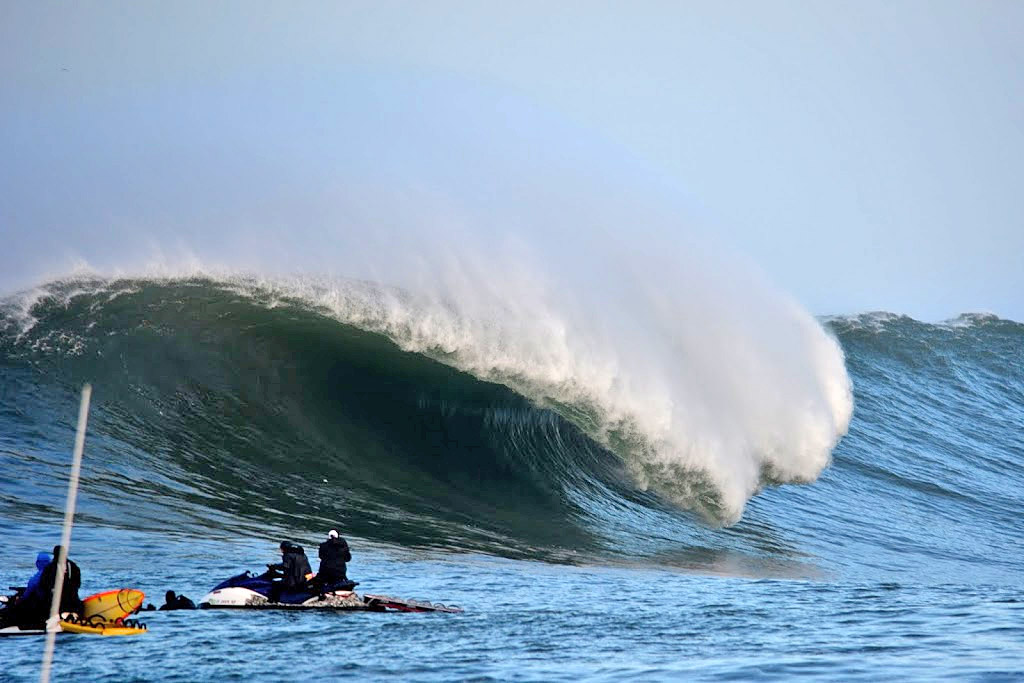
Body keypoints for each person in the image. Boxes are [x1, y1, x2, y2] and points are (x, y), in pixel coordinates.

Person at [36, 545, 84, 617]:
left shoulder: (49, 568)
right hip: (73, 601)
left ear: (54, 554)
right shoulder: (74, 566)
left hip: (56, 603)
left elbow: (43, 585)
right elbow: (78, 584)